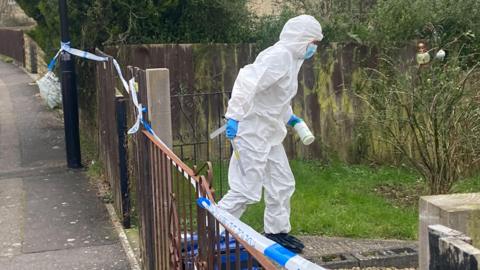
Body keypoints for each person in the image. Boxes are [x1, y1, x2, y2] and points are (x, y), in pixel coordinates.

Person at [218, 14, 323, 253]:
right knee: (246, 189)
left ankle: (276, 232)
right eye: (313, 43)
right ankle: (214, 230)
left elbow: (276, 96)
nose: (314, 49)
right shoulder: (280, 56)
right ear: (301, 39)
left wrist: (291, 117)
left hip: (268, 133)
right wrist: (233, 115)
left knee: (281, 182)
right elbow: (247, 81)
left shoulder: (293, 59)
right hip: (250, 131)